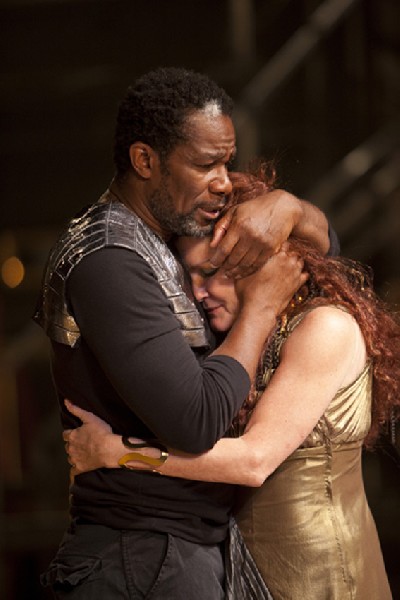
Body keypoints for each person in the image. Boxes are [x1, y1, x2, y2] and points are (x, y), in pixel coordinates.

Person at [34, 67, 336, 599]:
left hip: (170, 553)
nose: (223, 181)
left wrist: (290, 208)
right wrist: (260, 308)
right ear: (145, 160)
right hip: (142, 557)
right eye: (204, 164)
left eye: (227, 162)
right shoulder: (109, 257)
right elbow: (197, 422)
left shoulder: (167, 235)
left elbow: (329, 251)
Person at [64, 169, 399, 599]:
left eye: (212, 272)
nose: (198, 292)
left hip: (321, 573)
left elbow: (253, 461)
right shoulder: (240, 339)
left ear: (262, 260)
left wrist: (117, 452)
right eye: (190, 277)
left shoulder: (324, 327)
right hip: (245, 567)